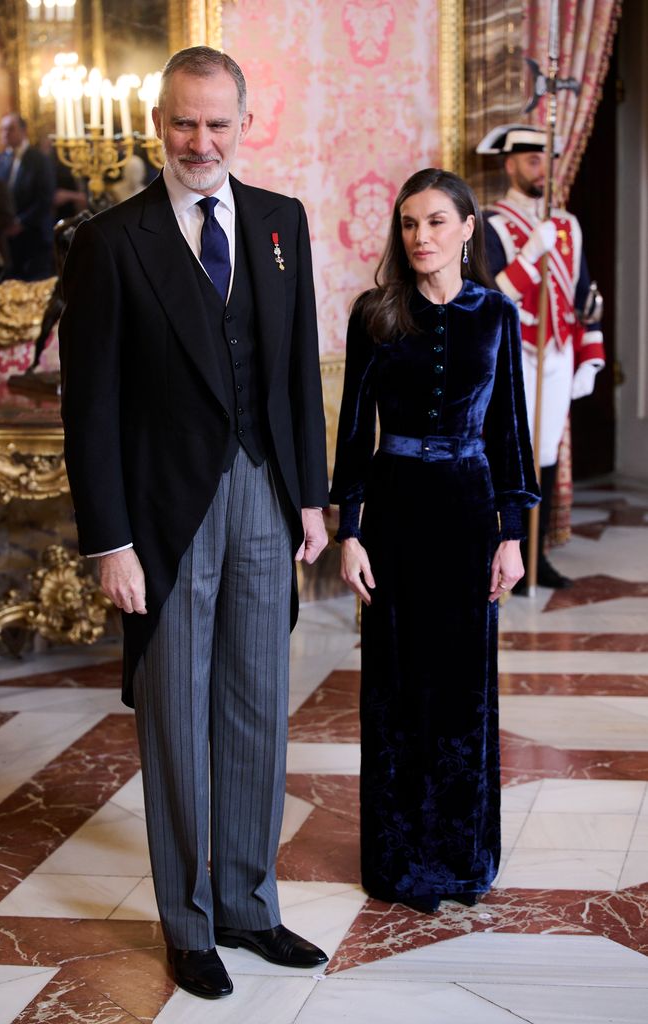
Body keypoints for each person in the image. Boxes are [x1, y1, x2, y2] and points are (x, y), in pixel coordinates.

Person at [59, 46, 329, 1000]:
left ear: (243, 125)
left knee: (259, 709)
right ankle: (189, 923)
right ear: (159, 123)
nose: (201, 140)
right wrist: (111, 542)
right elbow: (88, 406)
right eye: (184, 122)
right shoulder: (111, 241)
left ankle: (251, 906)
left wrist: (310, 496)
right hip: (164, 516)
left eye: (218, 123)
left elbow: (297, 369)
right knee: (176, 718)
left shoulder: (279, 223)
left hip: (263, 492)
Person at [329, 168, 539, 913]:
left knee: (462, 690)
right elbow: (354, 436)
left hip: (468, 514)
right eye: (410, 224)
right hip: (394, 512)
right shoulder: (375, 314)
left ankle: (460, 857)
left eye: (437, 222)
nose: (421, 237)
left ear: (467, 229)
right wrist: (349, 533)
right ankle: (394, 860)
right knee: (393, 689)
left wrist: (513, 535)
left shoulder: (497, 315)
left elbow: (510, 431)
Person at [478, 124, 605, 589]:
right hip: (514, 353)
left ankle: (537, 556)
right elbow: (493, 297)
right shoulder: (491, 223)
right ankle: (502, 551)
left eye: (548, 161)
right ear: (510, 164)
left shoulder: (567, 225)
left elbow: (583, 293)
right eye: (532, 161)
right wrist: (532, 252)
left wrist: (590, 352)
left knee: (547, 455)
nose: (542, 170)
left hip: (558, 353)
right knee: (512, 454)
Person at [0, 113, 55, 280]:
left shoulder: (39, 159)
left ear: (24, 131)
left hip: (34, 237)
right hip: (6, 240)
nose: (5, 133)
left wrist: (21, 222)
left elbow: (45, 198)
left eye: (10, 129)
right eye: (2, 130)